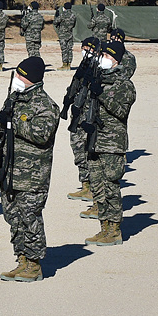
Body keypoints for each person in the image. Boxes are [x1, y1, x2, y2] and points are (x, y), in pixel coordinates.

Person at [0, 56, 60, 282]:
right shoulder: (14, 99)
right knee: (13, 217)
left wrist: (15, 122)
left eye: (21, 75)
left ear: (30, 78)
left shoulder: (46, 105)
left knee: (29, 217)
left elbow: (42, 135)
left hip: (32, 175)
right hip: (10, 171)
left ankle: (34, 264)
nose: (17, 79)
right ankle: (21, 259)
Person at [84, 40, 136, 247]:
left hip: (112, 143)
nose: (103, 59)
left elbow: (121, 111)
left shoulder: (124, 84)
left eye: (107, 55)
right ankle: (103, 226)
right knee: (97, 186)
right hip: (94, 140)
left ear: (116, 60)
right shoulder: (98, 78)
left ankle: (114, 229)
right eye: (102, 55)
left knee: (110, 187)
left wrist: (101, 93)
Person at [66, 37, 100, 209]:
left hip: (89, 116)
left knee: (89, 150)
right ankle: (85, 184)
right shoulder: (84, 66)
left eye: (89, 48)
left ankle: (93, 188)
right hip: (78, 114)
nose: (85, 50)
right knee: (77, 147)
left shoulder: (98, 68)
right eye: (84, 47)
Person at [54, 2, 77, 70]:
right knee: (69, 49)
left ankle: (64, 64)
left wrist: (56, 16)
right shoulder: (73, 15)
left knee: (64, 49)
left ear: (64, 8)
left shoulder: (62, 15)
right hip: (70, 34)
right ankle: (69, 65)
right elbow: (74, 25)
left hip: (63, 34)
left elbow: (55, 22)